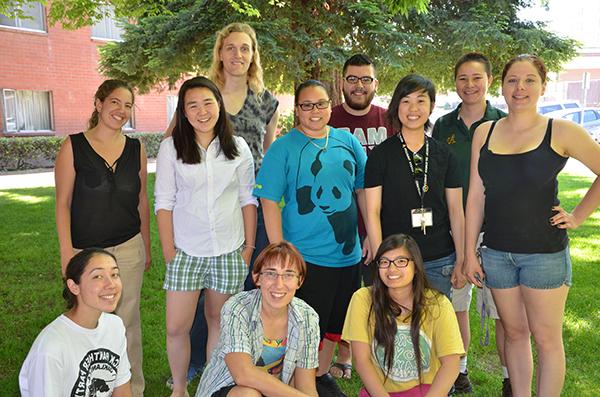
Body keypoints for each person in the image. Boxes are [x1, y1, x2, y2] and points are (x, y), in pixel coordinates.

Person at [464, 54, 600, 397]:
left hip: (545, 254)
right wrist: (468, 253)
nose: (519, 88)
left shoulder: (561, 131)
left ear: (542, 85)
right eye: (512, 80)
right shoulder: (485, 132)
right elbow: (476, 196)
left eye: (529, 80)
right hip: (496, 253)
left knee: (547, 339)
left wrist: (579, 215)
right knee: (514, 333)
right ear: (502, 85)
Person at [165, 22, 279, 386]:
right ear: (220, 53)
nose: (238, 55)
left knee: (229, 299)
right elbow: (172, 151)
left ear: (253, 54)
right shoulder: (201, 95)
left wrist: (248, 242)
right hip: (195, 219)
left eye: (245, 48)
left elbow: (269, 151)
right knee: (190, 304)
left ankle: (231, 364)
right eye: (230, 48)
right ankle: (193, 362)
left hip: (244, 206)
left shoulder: (265, 100)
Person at [254, 79, 368, 397]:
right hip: (305, 257)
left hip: (348, 254)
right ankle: (294, 382)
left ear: (329, 105)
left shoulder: (347, 141)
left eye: (320, 104)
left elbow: (363, 191)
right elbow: (268, 201)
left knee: (334, 325)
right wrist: (280, 251)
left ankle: (318, 375)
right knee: (305, 327)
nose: (314, 111)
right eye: (307, 105)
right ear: (298, 109)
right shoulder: (283, 148)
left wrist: (371, 234)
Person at [155, 76, 258, 397]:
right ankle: (181, 388)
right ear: (184, 113)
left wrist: (248, 249)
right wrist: (170, 251)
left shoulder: (238, 147)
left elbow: (247, 200)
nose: (202, 111)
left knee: (218, 321)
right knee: (177, 327)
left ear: (219, 105)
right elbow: (164, 202)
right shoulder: (171, 148)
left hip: (229, 250)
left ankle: (212, 386)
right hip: (186, 251)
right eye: (192, 105)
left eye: (208, 103)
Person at [54, 79, 150, 396]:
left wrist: (146, 247)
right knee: (88, 322)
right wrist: (67, 252)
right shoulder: (73, 146)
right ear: (99, 104)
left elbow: (142, 202)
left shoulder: (136, 149)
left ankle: (131, 389)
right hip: (86, 250)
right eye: (114, 103)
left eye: (127, 105)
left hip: (127, 248)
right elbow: (63, 204)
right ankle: (88, 389)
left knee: (127, 323)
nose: (121, 111)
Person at [432, 52, 509, 395]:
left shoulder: (504, 123)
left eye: (476, 78)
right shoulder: (443, 126)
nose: (470, 85)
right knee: (456, 304)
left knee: (502, 309)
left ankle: (510, 376)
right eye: (463, 78)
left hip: (498, 231)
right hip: (454, 228)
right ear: (455, 83)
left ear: (489, 81)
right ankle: (460, 370)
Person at [365, 74, 465, 300]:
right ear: (396, 106)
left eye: (421, 100)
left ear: (431, 106)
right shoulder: (380, 155)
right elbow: (372, 211)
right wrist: (384, 261)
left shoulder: (445, 155)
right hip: (395, 260)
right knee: (395, 330)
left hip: (439, 259)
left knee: (434, 330)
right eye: (406, 100)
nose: (413, 108)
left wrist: (461, 258)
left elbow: (456, 211)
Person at [326, 53, 394, 381]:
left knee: (381, 294)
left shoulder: (389, 120)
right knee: (346, 294)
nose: (359, 85)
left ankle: (382, 356)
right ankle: (344, 354)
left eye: (366, 79)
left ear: (375, 84)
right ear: (342, 82)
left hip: (381, 226)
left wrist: (373, 231)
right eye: (352, 78)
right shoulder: (328, 120)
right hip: (337, 227)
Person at [343, 233, 464, 396]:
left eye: (401, 261)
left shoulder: (438, 304)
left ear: (416, 267)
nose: (392, 269)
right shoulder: (363, 299)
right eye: (384, 262)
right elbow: (361, 360)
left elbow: (451, 363)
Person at [197, 241, 320, 397]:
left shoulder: (308, 317)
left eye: (288, 274)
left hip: (275, 392)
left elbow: (306, 386)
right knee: (249, 394)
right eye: (270, 273)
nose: (279, 284)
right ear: (257, 277)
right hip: (229, 389)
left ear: (299, 281)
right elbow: (243, 374)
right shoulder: (237, 308)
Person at [19, 248, 132, 397]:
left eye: (114, 274)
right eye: (97, 276)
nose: (111, 284)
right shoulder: (50, 349)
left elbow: (122, 391)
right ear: (74, 287)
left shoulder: (114, 326)